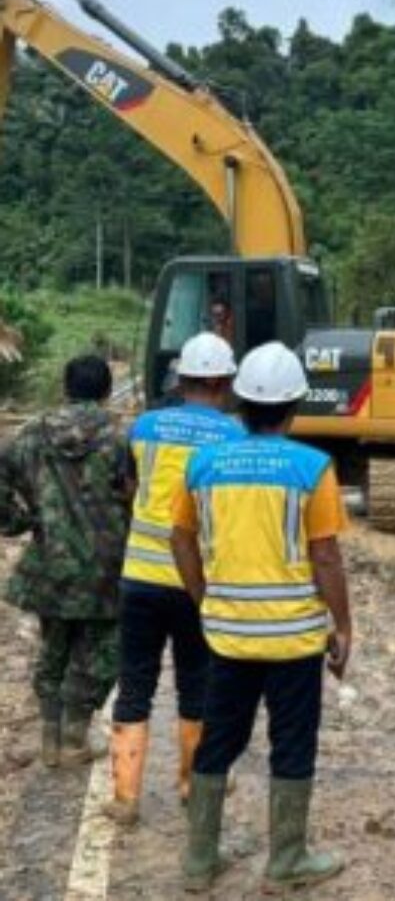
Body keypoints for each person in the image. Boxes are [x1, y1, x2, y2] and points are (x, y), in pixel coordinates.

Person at [171, 341, 352, 894]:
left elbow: (180, 538)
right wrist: (342, 625)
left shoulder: (202, 465)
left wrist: (206, 599)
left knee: (219, 738)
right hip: (293, 639)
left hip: (227, 635)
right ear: (295, 404)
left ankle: (200, 860)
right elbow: (325, 555)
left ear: (240, 402)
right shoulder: (312, 468)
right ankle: (287, 859)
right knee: (292, 742)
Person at [105, 333, 243, 826]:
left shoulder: (144, 426)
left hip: (139, 576)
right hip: (196, 582)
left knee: (136, 684)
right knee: (195, 684)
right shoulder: (233, 437)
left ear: (181, 377)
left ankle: (125, 798)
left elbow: (124, 487)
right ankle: (189, 783)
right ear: (221, 380)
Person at [0, 355, 131, 765]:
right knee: (104, 651)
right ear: (108, 391)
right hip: (106, 569)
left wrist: (18, 521)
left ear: (65, 387)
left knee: (53, 646)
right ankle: (76, 735)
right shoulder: (120, 439)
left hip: (50, 564)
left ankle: (49, 739)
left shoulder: (30, 436)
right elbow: (135, 495)